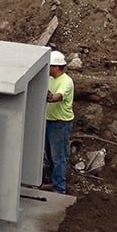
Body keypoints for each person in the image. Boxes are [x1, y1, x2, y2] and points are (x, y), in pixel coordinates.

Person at [44, 49, 75, 193]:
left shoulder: (66, 81)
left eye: (49, 66)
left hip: (60, 123)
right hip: (49, 121)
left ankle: (59, 188)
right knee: (50, 155)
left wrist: (48, 96)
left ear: (56, 67)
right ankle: (54, 183)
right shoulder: (50, 79)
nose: (47, 69)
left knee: (58, 157)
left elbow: (58, 97)